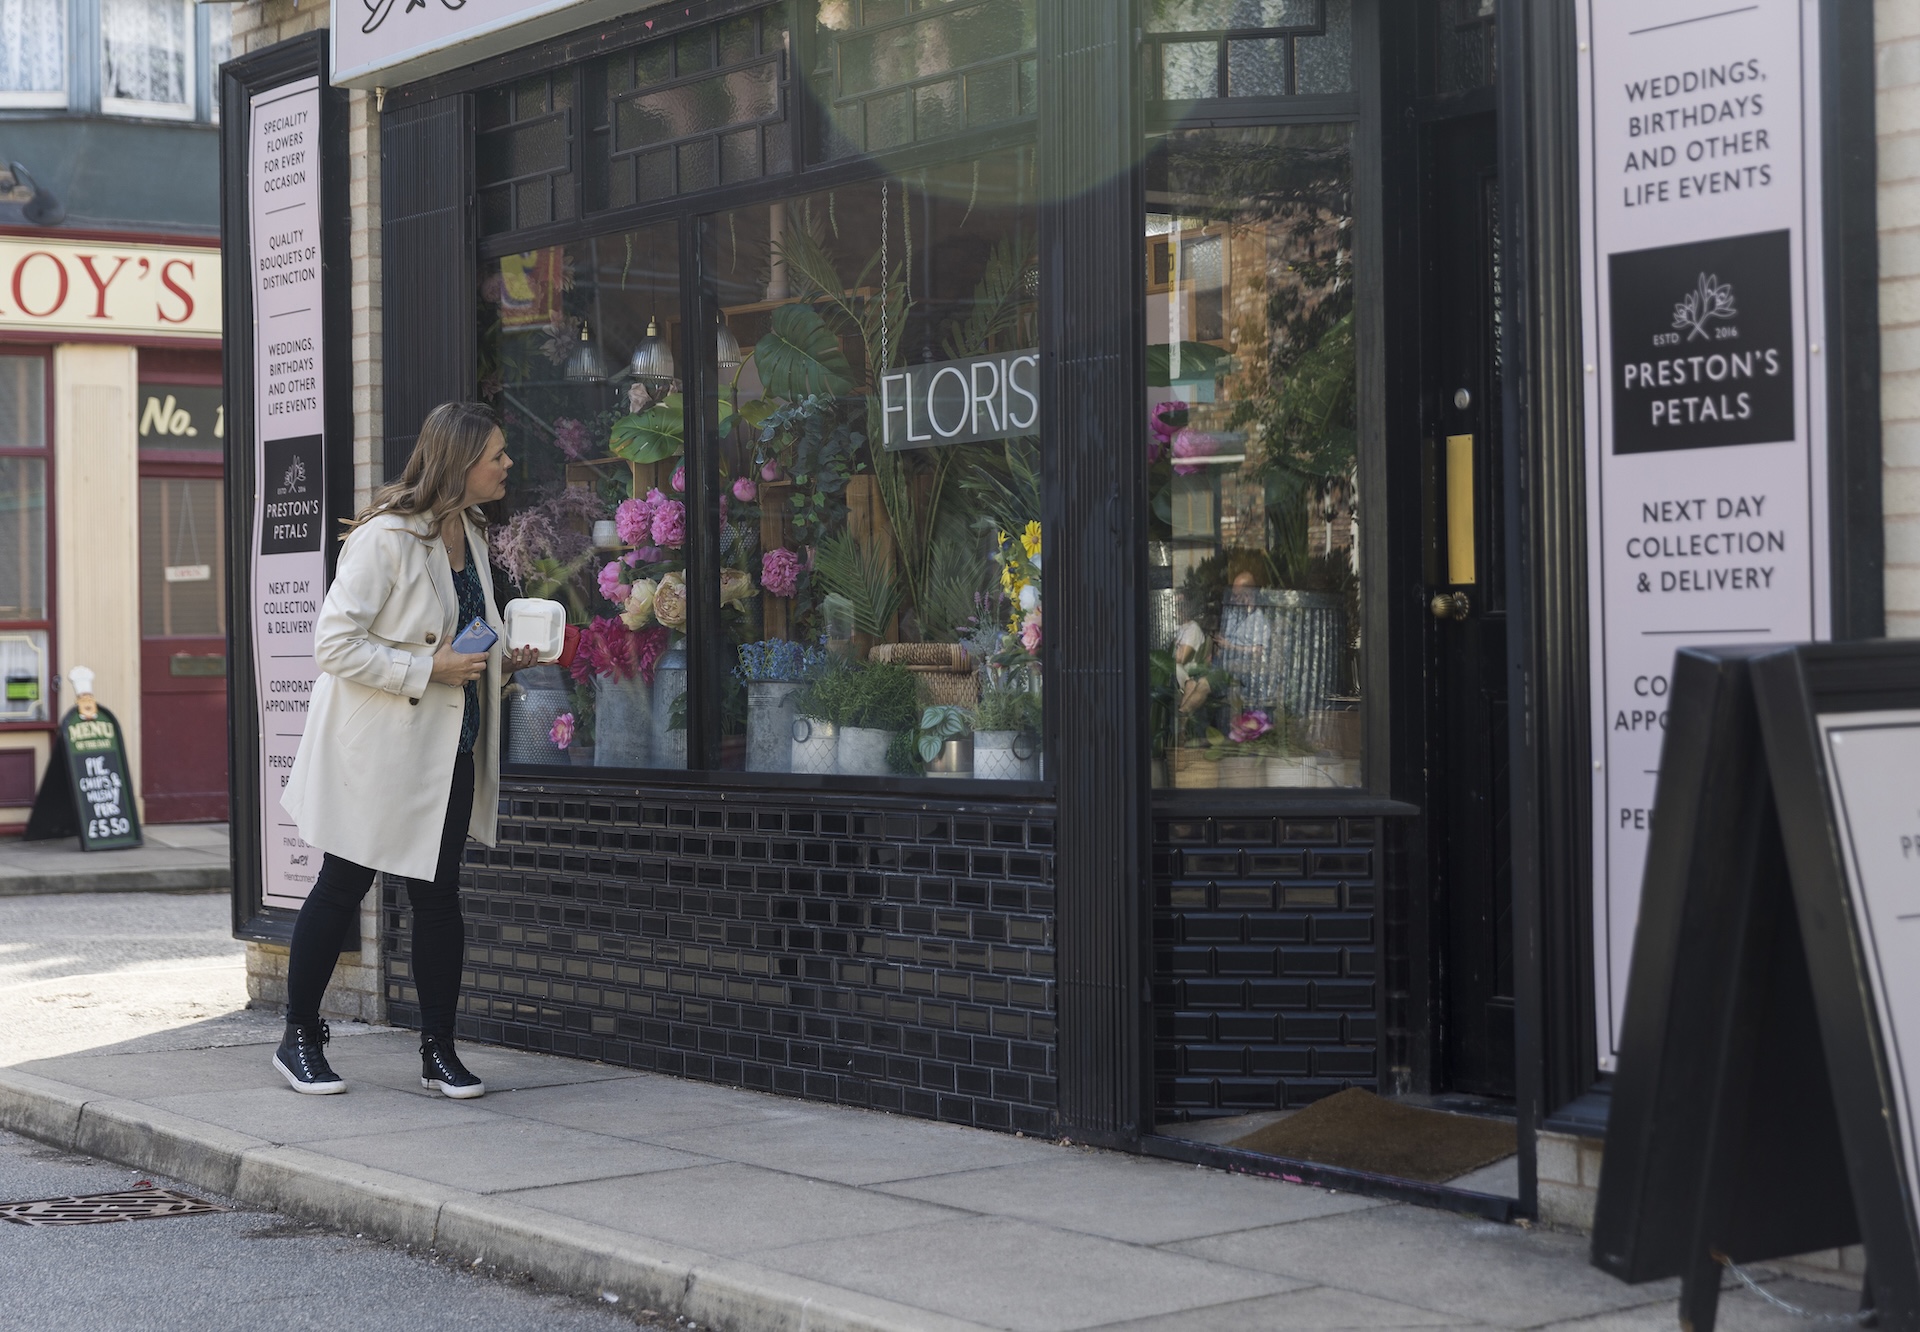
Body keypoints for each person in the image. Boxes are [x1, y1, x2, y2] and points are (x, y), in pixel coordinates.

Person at [274, 402, 539, 1098]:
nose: (508, 465)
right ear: (460, 463)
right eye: (497, 455)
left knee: (439, 897)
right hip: (379, 754)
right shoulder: (385, 539)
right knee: (343, 885)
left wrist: (510, 660)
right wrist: (429, 670)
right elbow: (332, 645)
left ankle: (438, 1051)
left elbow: (461, 638)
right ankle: (299, 1034)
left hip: (449, 748)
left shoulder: (473, 534)